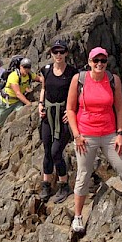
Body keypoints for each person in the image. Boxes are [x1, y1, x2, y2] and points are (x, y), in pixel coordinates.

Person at [65, 47, 122, 232]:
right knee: (83, 175)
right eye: (95, 60)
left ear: (106, 62)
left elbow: (119, 109)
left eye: (103, 61)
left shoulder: (113, 80)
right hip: (86, 136)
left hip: (109, 135)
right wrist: (77, 135)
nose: (99, 64)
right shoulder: (79, 79)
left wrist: (120, 134)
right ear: (89, 62)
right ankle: (78, 217)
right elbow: (70, 109)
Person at [38, 40, 77, 203]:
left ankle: (64, 184)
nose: (58, 55)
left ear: (66, 53)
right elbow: (44, 89)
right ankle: (46, 184)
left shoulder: (73, 73)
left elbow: (77, 94)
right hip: (48, 115)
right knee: (47, 150)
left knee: (56, 152)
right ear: (51, 54)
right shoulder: (46, 70)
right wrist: (40, 104)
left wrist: (71, 112)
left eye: (61, 52)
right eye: (55, 52)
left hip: (63, 116)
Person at [0, 57, 38, 130]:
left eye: (28, 67)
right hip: (6, 103)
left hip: (17, 102)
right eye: (24, 67)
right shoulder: (14, 76)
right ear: (20, 66)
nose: (26, 69)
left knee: (22, 116)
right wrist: (29, 104)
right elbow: (18, 93)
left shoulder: (29, 74)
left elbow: (39, 79)